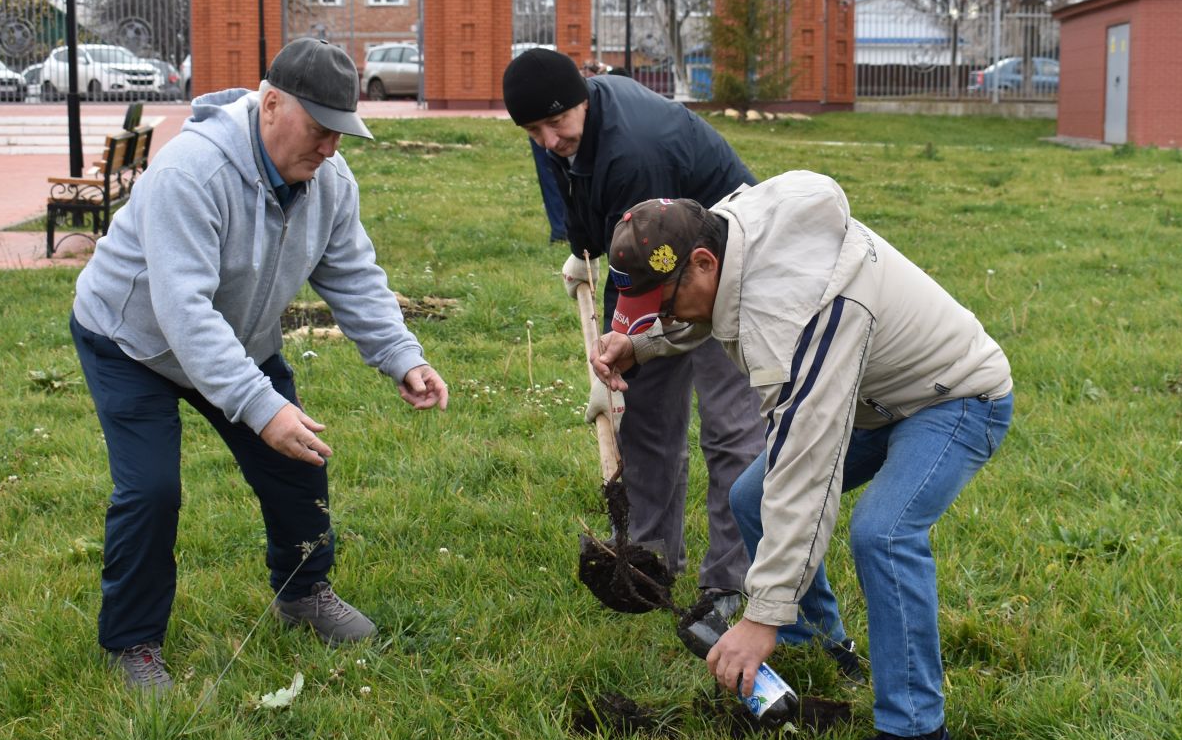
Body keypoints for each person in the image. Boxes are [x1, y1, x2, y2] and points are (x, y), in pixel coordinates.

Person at [592, 174, 1013, 740]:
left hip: (954, 398)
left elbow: (803, 474)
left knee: (883, 533)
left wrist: (759, 616)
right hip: (871, 396)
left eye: (662, 304)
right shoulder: (723, 229)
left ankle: (917, 738)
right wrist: (643, 343)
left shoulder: (799, 313)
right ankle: (821, 646)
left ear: (702, 262)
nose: (658, 317)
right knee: (748, 497)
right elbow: (710, 304)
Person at [71, 38, 449, 692]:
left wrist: (400, 355)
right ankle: (133, 644)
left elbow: (354, 277)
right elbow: (183, 312)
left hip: (239, 341)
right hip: (131, 342)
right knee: (151, 489)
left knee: (297, 464)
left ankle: (304, 595)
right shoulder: (192, 172)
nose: (331, 147)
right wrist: (259, 406)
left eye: (342, 133)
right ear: (272, 105)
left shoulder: (328, 181)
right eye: (321, 129)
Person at [502, 47, 842, 662]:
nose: (549, 140)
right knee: (648, 413)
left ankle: (728, 584)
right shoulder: (558, 128)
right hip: (656, 253)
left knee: (729, 427)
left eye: (556, 125)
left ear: (582, 98)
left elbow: (653, 274)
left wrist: (616, 352)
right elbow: (600, 225)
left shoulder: (636, 151)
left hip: (725, 266)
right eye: (534, 131)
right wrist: (582, 254)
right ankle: (649, 556)